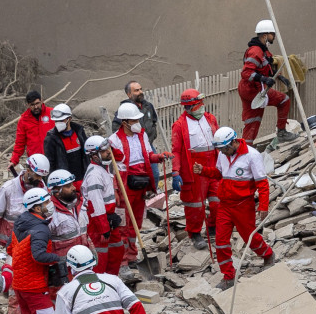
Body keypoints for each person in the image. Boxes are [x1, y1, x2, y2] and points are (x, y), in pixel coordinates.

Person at [9, 188, 66, 314]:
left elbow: (11, 248)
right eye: (46, 202)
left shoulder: (20, 222)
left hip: (19, 283)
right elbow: (39, 255)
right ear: (37, 206)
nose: (49, 205)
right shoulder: (41, 228)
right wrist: (59, 259)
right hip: (34, 285)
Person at [208, 127, 275, 287]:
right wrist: (203, 171)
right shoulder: (223, 154)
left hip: (243, 206)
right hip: (225, 205)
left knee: (249, 238)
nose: (222, 152)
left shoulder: (252, 155)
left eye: (224, 148)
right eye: (220, 149)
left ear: (233, 142)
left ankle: (267, 254)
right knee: (221, 241)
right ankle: (228, 276)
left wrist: (263, 206)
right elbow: (219, 173)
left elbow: (262, 183)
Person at [110, 103, 162, 273]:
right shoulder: (114, 141)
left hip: (141, 182)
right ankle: (123, 261)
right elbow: (114, 168)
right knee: (123, 224)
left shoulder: (142, 136)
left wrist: (158, 157)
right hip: (125, 184)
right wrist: (116, 189)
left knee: (136, 222)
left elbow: (147, 156)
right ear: (125, 122)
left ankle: (132, 256)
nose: (138, 123)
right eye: (134, 120)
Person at [168, 89, 220, 257]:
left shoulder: (210, 118)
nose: (201, 107)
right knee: (195, 205)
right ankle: (195, 233)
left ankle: (213, 227)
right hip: (194, 167)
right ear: (189, 107)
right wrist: (175, 172)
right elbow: (176, 150)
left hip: (212, 162)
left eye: (201, 103)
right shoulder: (179, 125)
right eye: (197, 104)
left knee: (218, 199)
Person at [238, 20, 296, 144]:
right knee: (284, 100)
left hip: (248, 89)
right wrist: (263, 79)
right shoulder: (256, 51)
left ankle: (245, 150)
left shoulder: (262, 50)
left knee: (252, 121)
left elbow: (267, 68)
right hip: (253, 89)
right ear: (265, 35)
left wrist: (279, 76)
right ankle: (281, 132)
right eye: (272, 34)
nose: (274, 36)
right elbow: (246, 73)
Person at [0, 155, 50, 256]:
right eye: (37, 176)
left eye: (41, 177)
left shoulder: (42, 188)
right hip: (8, 244)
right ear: (28, 170)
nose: (39, 179)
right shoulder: (8, 188)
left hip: (31, 242)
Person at [81, 137, 122, 274]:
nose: (108, 153)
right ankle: (101, 282)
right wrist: (103, 227)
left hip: (107, 216)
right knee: (101, 255)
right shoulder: (94, 175)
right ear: (94, 155)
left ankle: (112, 279)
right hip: (98, 221)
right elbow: (96, 203)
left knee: (117, 249)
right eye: (105, 152)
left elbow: (120, 155)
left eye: (108, 150)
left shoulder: (103, 167)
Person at [45, 170, 93, 254]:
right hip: (63, 263)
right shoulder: (50, 213)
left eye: (72, 184)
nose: (74, 188)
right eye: (68, 186)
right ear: (56, 192)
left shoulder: (81, 204)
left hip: (83, 257)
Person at [7, 90, 54, 174]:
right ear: (28, 105)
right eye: (32, 105)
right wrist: (14, 160)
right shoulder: (24, 120)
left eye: (37, 103)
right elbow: (19, 143)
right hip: (35, 161)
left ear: (41, 101)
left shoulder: (52, 114)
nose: (35, 107)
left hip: (52, 158)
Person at [41, 103, 89, 183]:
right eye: (56, 121)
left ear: (69, 118)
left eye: (61, 120)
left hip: (83, 179)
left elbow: (86, 155)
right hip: (66, 183)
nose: (58, 123)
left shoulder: (79, 132)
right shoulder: (51, 139)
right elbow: (50, 164)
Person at [123, 81, 160, 145]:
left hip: (149, 145)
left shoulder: (148, 106)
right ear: (129, 94)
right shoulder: (125, 110)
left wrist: (153, 135)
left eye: (140, 89)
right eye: (136, 90)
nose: (140, 92)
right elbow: (118, 129)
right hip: (135, 147)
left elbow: (154, 121)